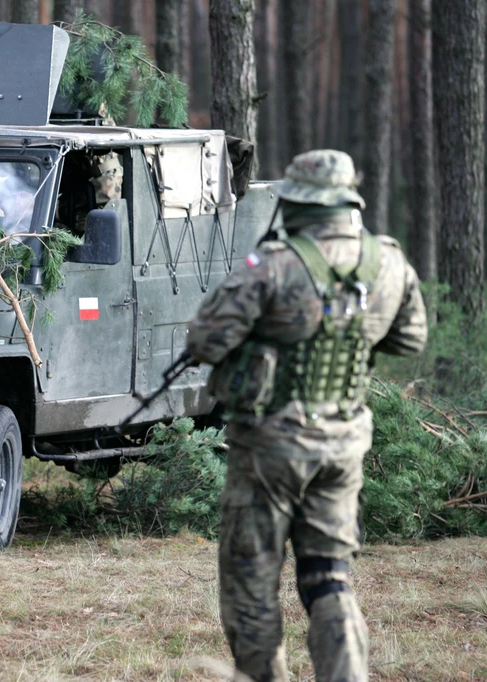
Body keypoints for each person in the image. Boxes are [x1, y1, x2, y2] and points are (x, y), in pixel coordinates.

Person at [186, 149, 428, 682]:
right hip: (342, 445)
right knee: (329, 575)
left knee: (252, 582)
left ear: (296, 203)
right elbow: (411, 338)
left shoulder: (273, 265)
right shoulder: (387, 261)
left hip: (270, 447)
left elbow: (205, 339)